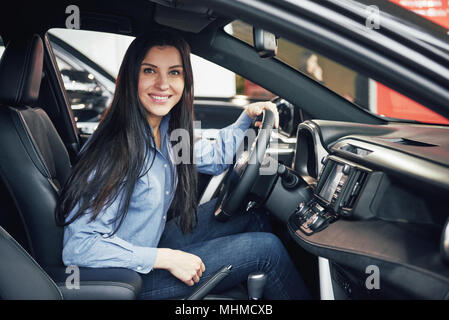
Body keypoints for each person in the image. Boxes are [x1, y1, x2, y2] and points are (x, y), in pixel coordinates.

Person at [55, 30, 310, 300]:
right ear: (132, 77)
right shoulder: (114, 150)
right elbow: (79, 247)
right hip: (127, 277)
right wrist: (165, 258)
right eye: (150, 71)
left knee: (253, 216)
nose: (163, 84)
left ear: (185, 79)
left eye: (174, 72)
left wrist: (245, 119)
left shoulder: (164, 130)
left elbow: (214, 157)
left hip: (151, 243)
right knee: (267, 251)